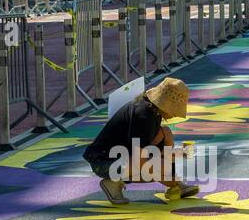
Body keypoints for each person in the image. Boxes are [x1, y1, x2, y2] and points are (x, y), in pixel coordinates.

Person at [81, 77, 199, 205]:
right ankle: (112, 181)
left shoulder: (152, 110)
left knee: (166, 133)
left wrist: (176, 156)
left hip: (120, 156)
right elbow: (141, 159)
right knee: (159, 166)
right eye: (175, 108)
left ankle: (176, 184)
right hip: (103, 163)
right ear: (166, 104)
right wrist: (168, 175)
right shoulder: (143, 116)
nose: (175, 114)